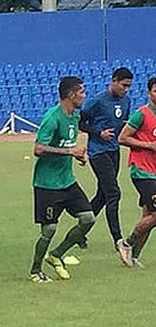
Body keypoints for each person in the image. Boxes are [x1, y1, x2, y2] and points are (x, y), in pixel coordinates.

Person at [30, 76, 96, 283]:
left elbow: (70, 147)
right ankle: (35, 270)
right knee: (49, 229)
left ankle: (56, 254)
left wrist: (79, 156)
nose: (84, 96)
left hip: (67, 181)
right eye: (82, 92)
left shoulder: (74, 117)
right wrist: (70, 151)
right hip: (47, 183)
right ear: (71, 94)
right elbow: (38, 149)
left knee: (88, 219)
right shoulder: (53, 117)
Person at [80, 67, 133, 251]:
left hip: (114, 151)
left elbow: (124, 124)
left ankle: (80, 231)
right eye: (123, 85)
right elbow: (80, 122)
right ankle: (118, 240)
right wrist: (98, 132)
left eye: (128, 87)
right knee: (113, 193)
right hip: (98, 152)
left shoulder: (126, 101)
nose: (125, 90)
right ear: (114, 80)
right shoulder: (97, 101)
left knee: (103, 195)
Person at [116, 77, 156, 268]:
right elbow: (122, 138)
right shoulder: (142, 114)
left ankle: (133, 256)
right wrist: (148, 145)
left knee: (148, 216)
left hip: (155, 172)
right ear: (149, 92)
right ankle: (126, 244)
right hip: (142, 171)